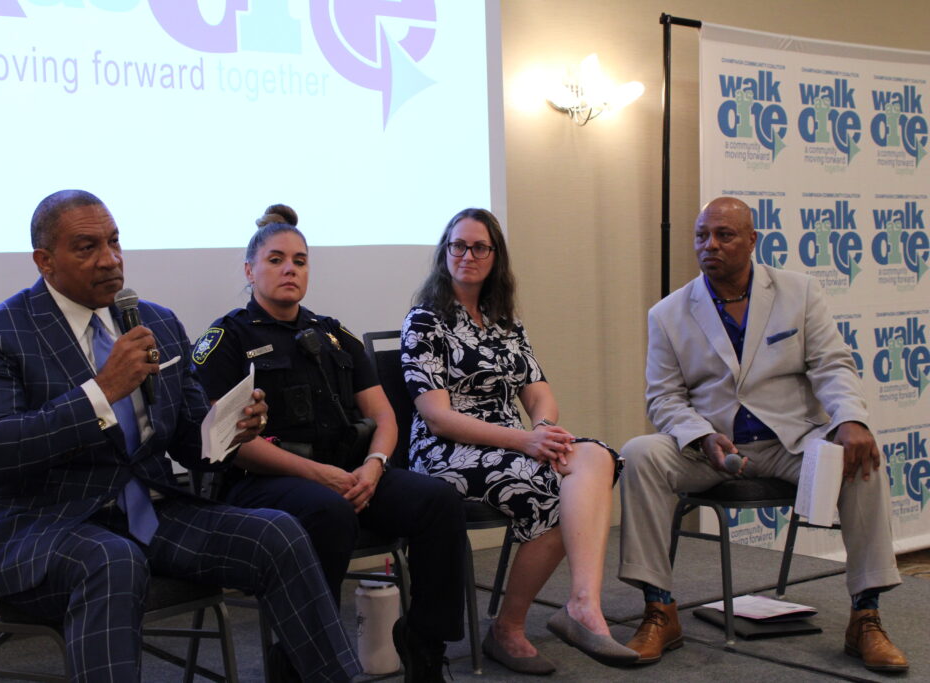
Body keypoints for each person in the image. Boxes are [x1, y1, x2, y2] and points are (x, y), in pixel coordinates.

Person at [0, 190, 360, 682]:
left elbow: (192, 441)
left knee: (278, 532)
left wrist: (228, 431)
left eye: (115, 241)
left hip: (150, 514)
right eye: (87, 247)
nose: (110, 260)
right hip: (44, 529)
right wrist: (100, 392)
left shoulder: (156, 323)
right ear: (45, 261)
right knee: (110, 560)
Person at [619, 196, 907, 673]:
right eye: (701, 236)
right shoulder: (668, 314)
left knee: (862, 458)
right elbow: (663, 399)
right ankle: (660, 608)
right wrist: (701, 437)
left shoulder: (800, 292)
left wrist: (850, 421)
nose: (710, 245)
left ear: (752, 240)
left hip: (791, 442)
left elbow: (833, 366)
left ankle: (866, 617)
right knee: (640, 453)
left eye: (724, 235)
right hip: (710, 449)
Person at [191, 204, 467, 683]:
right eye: (275, 259)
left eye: (299, 260)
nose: (289, 269)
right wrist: (321, 475)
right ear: (249, 269)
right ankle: (300, 659)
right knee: (327, 511)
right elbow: (231, 444)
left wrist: (375, 465)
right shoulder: (226, 340)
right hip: (262, 482)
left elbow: (383, 415)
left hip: (350, 476)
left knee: (438, 500)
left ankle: (423, 643)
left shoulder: (334, 335)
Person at [401, 208, 638, 675]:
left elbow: (539, 390)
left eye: (479, 247)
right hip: (446, 450)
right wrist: (526, 441)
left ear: (495, 256)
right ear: (444, 253)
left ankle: (582, 604)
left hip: (512, 443)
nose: (467, 255)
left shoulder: (503, 319)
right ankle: (509, 629)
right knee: (554, 492)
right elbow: (438, 417)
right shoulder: (424, 321)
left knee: (594, 457)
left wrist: (545, 428)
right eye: (458, 245)